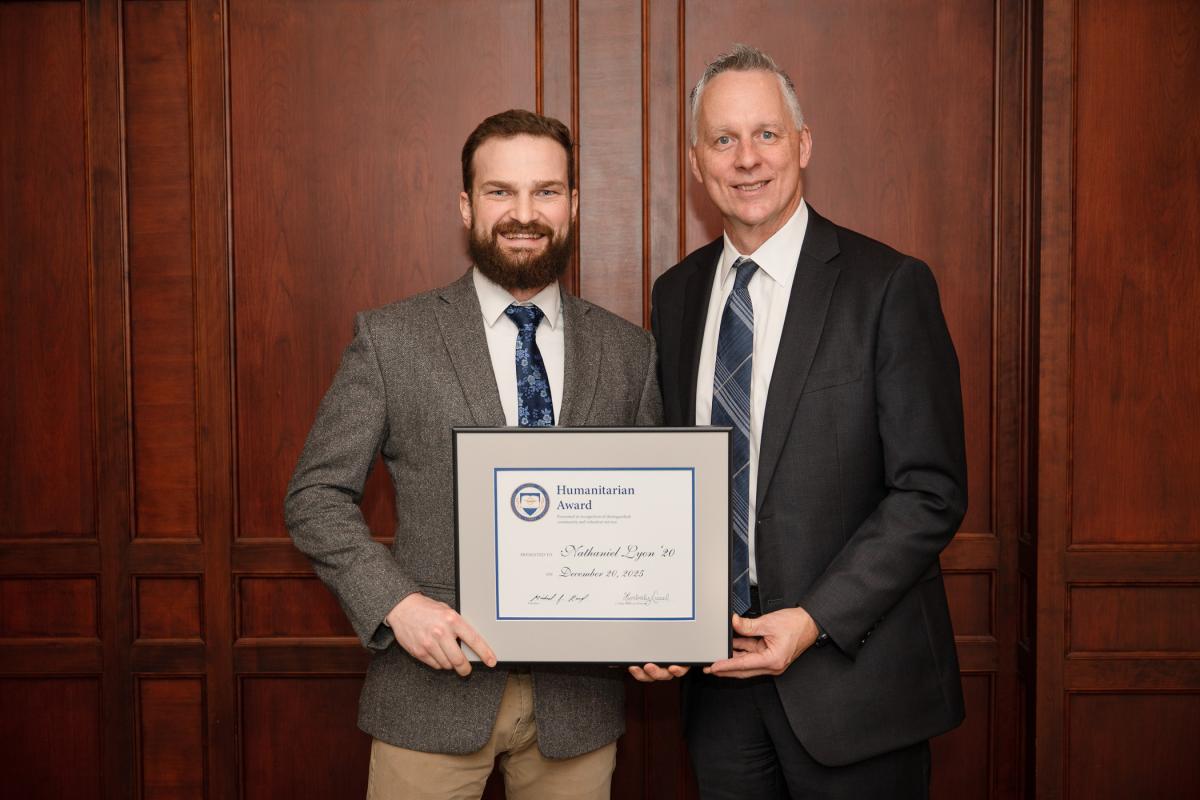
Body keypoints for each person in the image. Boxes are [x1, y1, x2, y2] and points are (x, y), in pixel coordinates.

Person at [285, 108, 662, 800]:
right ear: (466, 206)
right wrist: (397, 604)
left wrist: (664, 623)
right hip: (429, 696)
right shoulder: (391, 339)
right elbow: (315, 497)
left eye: (546, 191)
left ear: (573, 205)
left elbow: (652, 514)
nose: (524, 213)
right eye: (500, 192)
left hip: (576, 710)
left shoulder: (628, 351)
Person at [637, 44, 967, 798]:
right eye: (724, 140)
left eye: (767, 134)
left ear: (803, 145)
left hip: (855, 689)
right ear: (696, 162)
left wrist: (813, 619)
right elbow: (668, 479)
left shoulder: (887, 285)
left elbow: (930, 492)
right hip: (717, 690)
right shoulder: (678, 295)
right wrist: (650, 617)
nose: (747, 159)